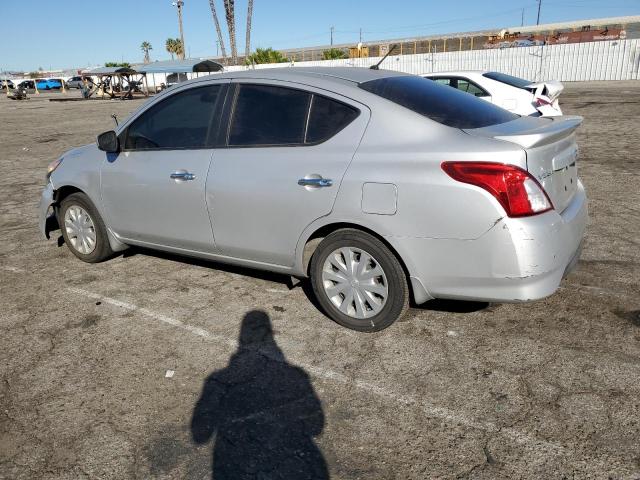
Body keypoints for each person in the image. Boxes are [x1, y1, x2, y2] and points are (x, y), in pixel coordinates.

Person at [191, 311, 328, 480]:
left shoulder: (218, 381)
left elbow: (200, 435)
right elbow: (316, 426)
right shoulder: (296, 376)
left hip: (237, 469)